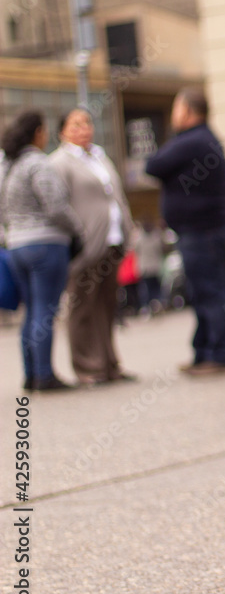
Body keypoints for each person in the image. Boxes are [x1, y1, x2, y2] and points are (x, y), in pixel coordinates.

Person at [145, 87, 225, 375]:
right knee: (203, 293)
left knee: (209, 293)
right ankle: (204, 352)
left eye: (176, 109)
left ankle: (218, 355)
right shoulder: (202, 139)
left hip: (202, 233)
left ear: (187, 112)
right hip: (201, 232)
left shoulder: (193, 140)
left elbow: (154, 165)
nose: (173, 115)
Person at [49, 108, 137, 385]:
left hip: (112, 241)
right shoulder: (60, 162)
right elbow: (58, 205)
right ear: (62, 131)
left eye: (86, 122)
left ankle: (109, 363)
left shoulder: (100, 156)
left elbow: (117, 196)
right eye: (75, 124)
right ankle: (88, 367)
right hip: (85, 246)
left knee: (107, 304)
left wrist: (128, 231)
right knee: (82, 307)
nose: (83, 128)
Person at [0, 110, 84, 391]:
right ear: (37, 132)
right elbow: (56, 207)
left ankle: (31, 375)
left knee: (31, 311)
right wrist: (77, 229)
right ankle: (45, 375)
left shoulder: (6, 165)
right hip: (46, 244)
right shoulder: (38, 162)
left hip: (16, 246)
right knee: (45, 310)